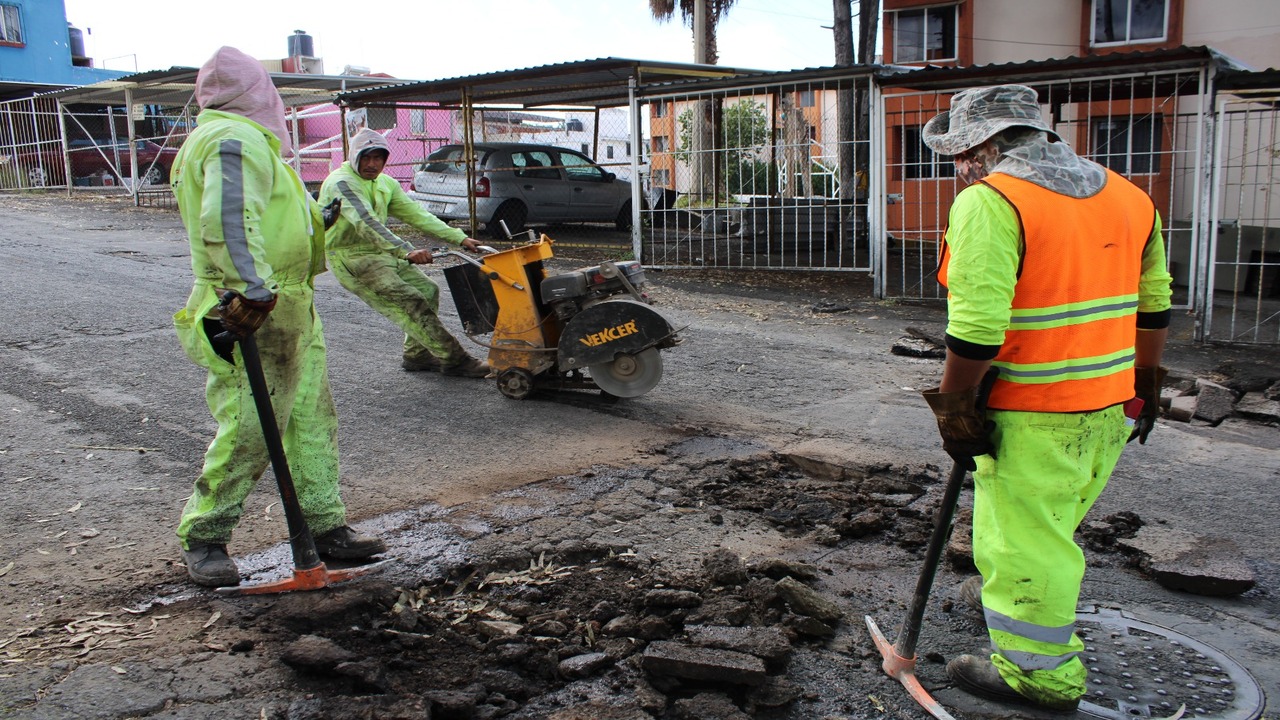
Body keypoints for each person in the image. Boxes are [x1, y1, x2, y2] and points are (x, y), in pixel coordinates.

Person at [918, 85, 1172, 712]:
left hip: (1035, 416)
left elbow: (977, 329)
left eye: (957, 155)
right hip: (1110, 407)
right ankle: (1020, 605)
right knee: (1049, 528)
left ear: (983, 146)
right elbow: (1155, 300)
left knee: (1025, 542)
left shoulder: (992, 200)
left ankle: (1039, 674)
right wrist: (1147, 383)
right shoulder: (1130, 198)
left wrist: (955, 407)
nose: (957, 169)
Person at [171, 47, 385, 588]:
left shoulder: (248, 142)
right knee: (250, 426)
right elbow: (227, 218)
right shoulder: (232, 140)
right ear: (257, 94)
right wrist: (252, 291)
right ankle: (205, 535)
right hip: (252, 306)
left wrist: (319, 219)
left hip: (288, 304)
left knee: (313, 420)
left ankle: (324, 527)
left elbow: (270, 215)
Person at [319, 128, 489, 377]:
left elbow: (417, 215)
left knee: (429, 290)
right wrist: (406, 251)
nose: (372, 164)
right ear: (354, 156)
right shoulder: (341, 183)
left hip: (383, 253)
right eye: (366, 157)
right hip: (352, 257)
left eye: (378, 158)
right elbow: (366, 222)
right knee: (410, 300)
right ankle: (455, 359)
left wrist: (460, 238)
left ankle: (416, 355)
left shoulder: (384, 183)